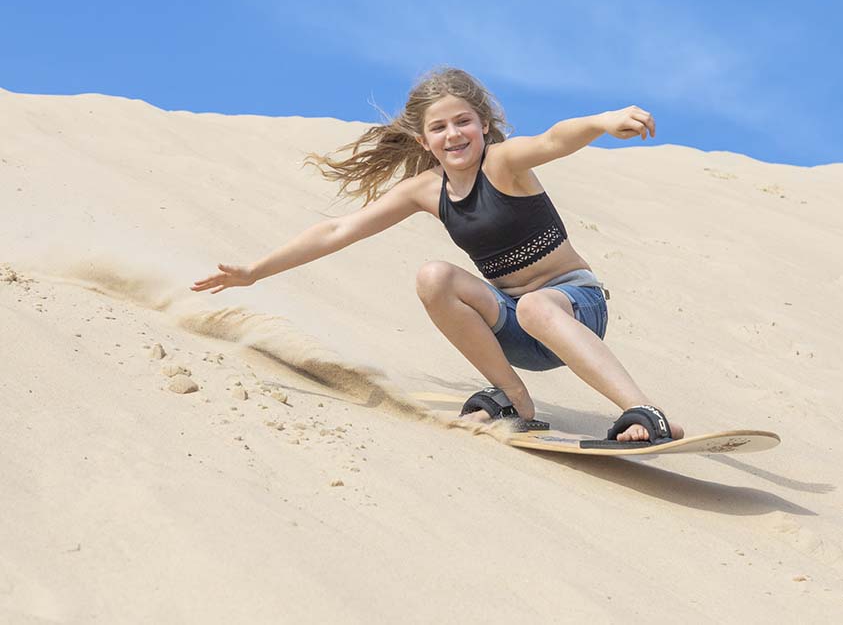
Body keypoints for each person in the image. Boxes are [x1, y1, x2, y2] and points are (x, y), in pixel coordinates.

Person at [191, 67, 682, 444]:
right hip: (514, 327)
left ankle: (645, 412)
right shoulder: (427, 190)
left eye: (463, 121)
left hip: (575, 311)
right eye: (440, 127)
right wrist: (255, 272)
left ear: (483, 126)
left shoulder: (503, 162)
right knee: (433, 277)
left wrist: (603, 120)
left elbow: (554, 139)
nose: (454, 134)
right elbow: (339, 230)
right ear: (424, 140)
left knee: (536, 305)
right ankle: (514, 401)